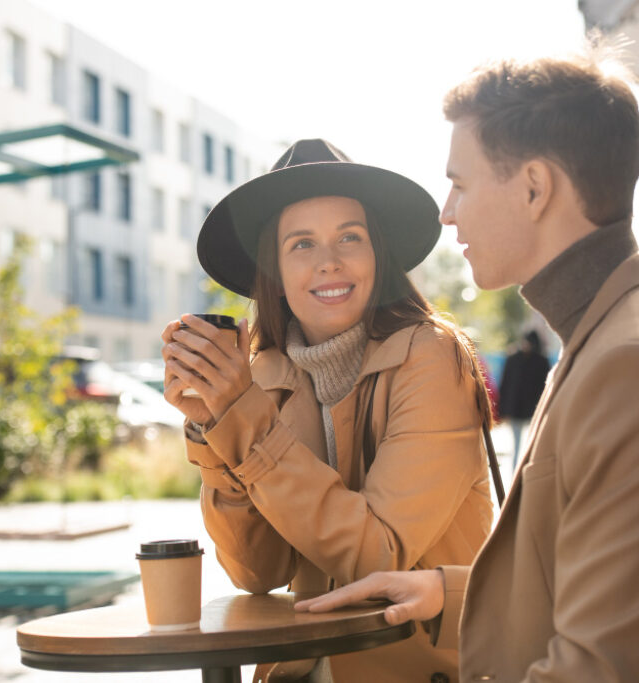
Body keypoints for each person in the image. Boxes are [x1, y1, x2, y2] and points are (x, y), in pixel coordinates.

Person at [296, 42, 639, 683]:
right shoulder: (616, 330)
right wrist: (451, 591)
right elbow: (621, 587)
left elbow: (604, 669)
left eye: (460, 184)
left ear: (533, 187)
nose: (447, 213)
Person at [161, 139, 495, 682]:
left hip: (417, 668)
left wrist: (242, 418)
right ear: (274, 269)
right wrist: (211, 424)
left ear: (376, 254)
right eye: (302, 244)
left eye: (349, 237)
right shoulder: (263, 375)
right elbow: (256, 572)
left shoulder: (431, 356)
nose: (329, 262)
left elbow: (379, 558)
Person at [497, 329, 550, 469]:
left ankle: (527, 471)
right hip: (515, 409)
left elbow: (546, 387)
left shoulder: (541, 361)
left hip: (534, 411)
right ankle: (516, 472)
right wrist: (502, 409)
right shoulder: (513, 359)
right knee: (516, 445)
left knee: (532, 445)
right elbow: (505, 384)